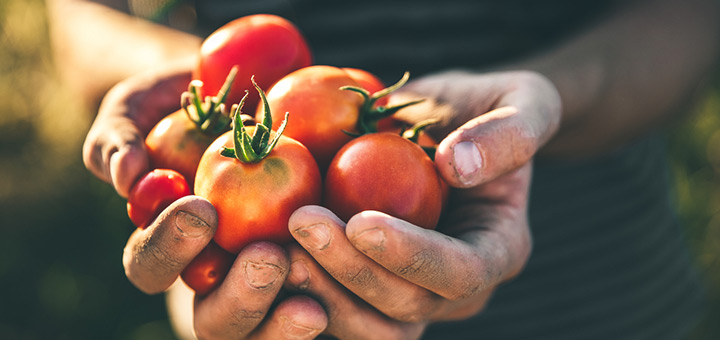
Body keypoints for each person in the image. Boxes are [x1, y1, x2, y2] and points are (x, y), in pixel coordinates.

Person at [48, 0, 719, 339]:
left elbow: (690, 20)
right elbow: (84, 19)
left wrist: (543, 102)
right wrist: (189, 119)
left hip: (600, 298)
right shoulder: (268, 138)